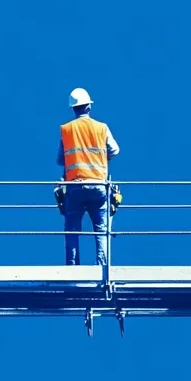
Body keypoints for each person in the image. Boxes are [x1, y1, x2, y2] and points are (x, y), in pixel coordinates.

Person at [56, 88, 119, 265]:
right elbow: (115, 150)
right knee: (101, 230)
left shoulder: (67, 130)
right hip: (98, 185)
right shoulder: (101, 128)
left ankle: (73, 269)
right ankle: (102, 268)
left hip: (75, 186)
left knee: (72, 230)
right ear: (89, 107)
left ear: (73, 109)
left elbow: (60, 160)